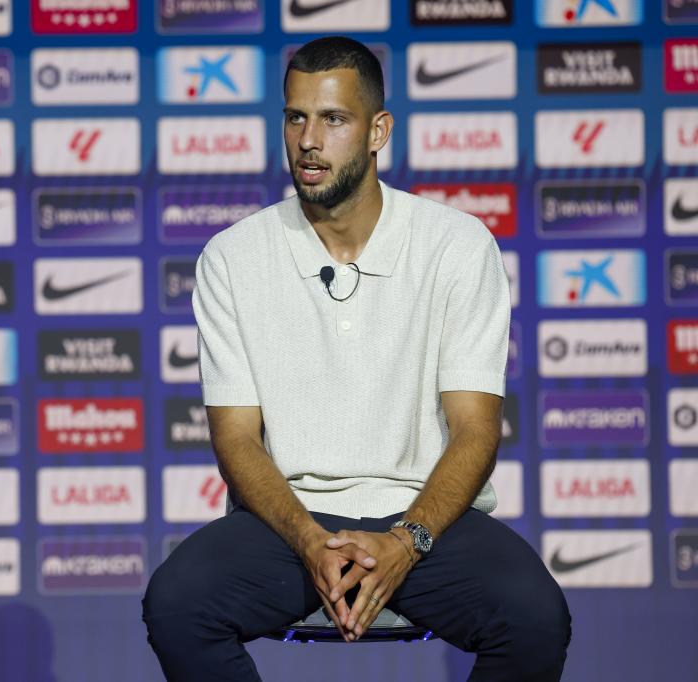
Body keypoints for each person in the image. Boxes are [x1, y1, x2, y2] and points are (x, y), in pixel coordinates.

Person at [142, 36, 571, 681]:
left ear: (378, 131)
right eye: (296, 117)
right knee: (176, 604)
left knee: (536, 618)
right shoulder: (232, 258)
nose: (309, 140)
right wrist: (309, 540)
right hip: (288, 523)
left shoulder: (456, 247)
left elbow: (476, 429)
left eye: (333, 119)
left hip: (426, 522)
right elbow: (235, 439)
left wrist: (406, 542)